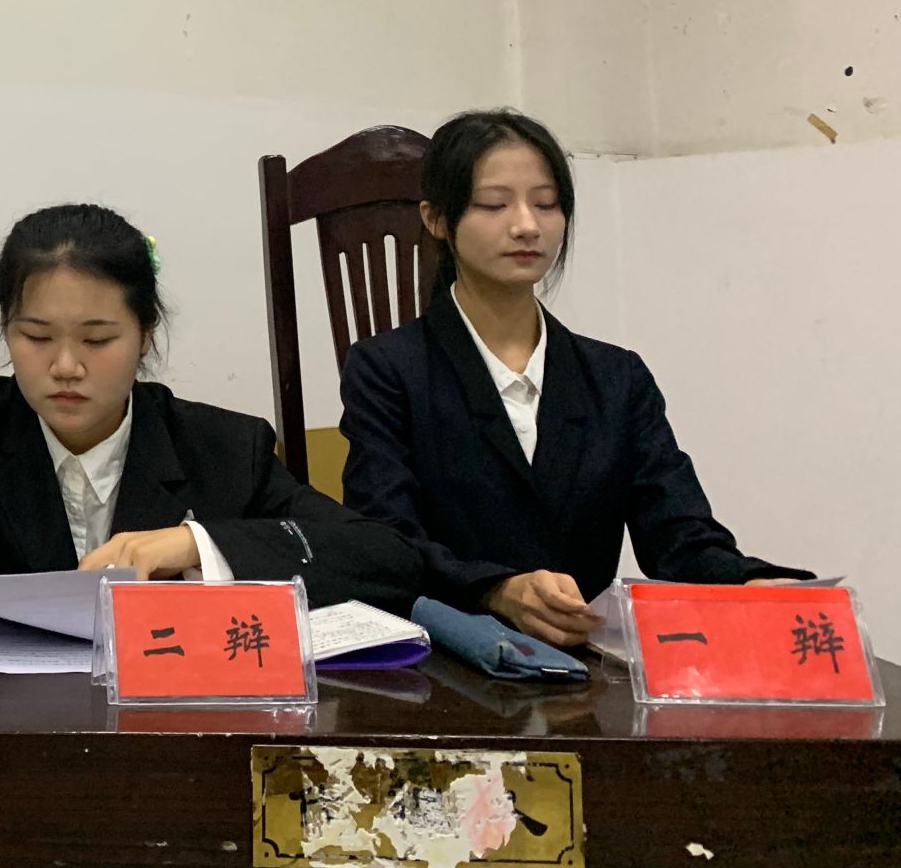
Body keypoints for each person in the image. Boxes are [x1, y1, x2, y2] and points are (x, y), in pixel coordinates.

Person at [340, 109, 808, 647]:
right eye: (494, 204)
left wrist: (748, 584)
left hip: (585, 663)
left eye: (546, 204)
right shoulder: (387, 369)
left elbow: (678, 535)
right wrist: (495, 589)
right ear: (437, 219)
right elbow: (387, 541)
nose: (527, 226)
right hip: (444, 660)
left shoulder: (616, 377)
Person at [0, 204, 422, 625]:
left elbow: (386, 559)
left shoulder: (224, 447)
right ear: (6, 328)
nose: (66, 366)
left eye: (98, 340)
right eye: (36, 337)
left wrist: (196, 545)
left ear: (145, 335)